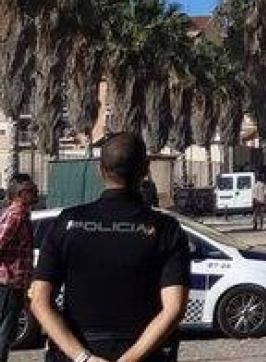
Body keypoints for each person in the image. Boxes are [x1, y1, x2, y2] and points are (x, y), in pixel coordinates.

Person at [31, 133, 190, 362]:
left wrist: (82, 357)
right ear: (145, 169)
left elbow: (39, 300)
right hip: (145, 353)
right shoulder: (166, 229)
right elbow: (174, 308)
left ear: (100, 170)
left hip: (78, 351)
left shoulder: (67, 222)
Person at [0, 174, 37, 362]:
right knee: (4, 334)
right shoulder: (15, 215)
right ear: (20, 194)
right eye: (31, 191)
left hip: (15, 285)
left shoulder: (23, 215)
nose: (35, 194)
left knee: (8, 332)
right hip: (7, 284)